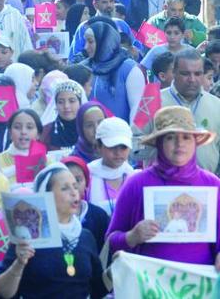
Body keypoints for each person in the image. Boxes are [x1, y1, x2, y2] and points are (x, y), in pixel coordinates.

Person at [108, 106, 220, 267]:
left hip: (200, 286)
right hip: (150, 286)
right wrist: (132, 237)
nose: (179, 143)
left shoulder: (213, 184)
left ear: (195, 142)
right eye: (170, 137)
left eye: (186, 137)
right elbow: (111, 240)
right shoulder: (136, 184)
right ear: (159, 143)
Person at [0, 163, 108, 299]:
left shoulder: (86, 237)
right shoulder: (30, 237)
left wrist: (115, 272)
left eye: (75, 186)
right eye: (65, 188)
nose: (74, 193)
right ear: (45, 195)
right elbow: (1, 293)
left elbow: (98, 289)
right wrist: (19, 264)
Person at [135, 50, 220, 174]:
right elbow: (133, 142)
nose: (192, 79)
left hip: (205, 186)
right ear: (174, 73)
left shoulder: (216, 104)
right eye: (185, 74)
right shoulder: (151, 99)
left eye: (197, 74)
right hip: (161, 183)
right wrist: (161, 147)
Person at [82, 21, 145, 122]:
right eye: (85, 41)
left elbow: (137, 109)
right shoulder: (84, 67)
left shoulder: (129, 69)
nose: (85, 47)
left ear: (104, 41)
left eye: (90, 41)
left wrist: (133, 136)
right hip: (89, 135)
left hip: (121, 135)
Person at [61, 156, 110, 253]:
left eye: (78, 180)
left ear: (86, 183)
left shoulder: (99, 215)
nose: (73, 187)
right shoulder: (51, 220)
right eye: (66, 183)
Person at [88, 117, 135, 216]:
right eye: (112, 147)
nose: (118, 153)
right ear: (98, 147)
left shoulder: (134, 177)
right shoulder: (88, 177)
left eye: (123, 147)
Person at [0, 109, 43, 186]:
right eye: (17, 127)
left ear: (38, 134)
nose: (23, 132)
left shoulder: (48, 162)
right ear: (10, 133)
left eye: (29, 127)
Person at [41, 80, 84, 151]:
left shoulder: (87, 129)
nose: (66, 106)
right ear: (56, 105)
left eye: (72, 101)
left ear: (80, 103)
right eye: (61, 102)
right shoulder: (46, 131)